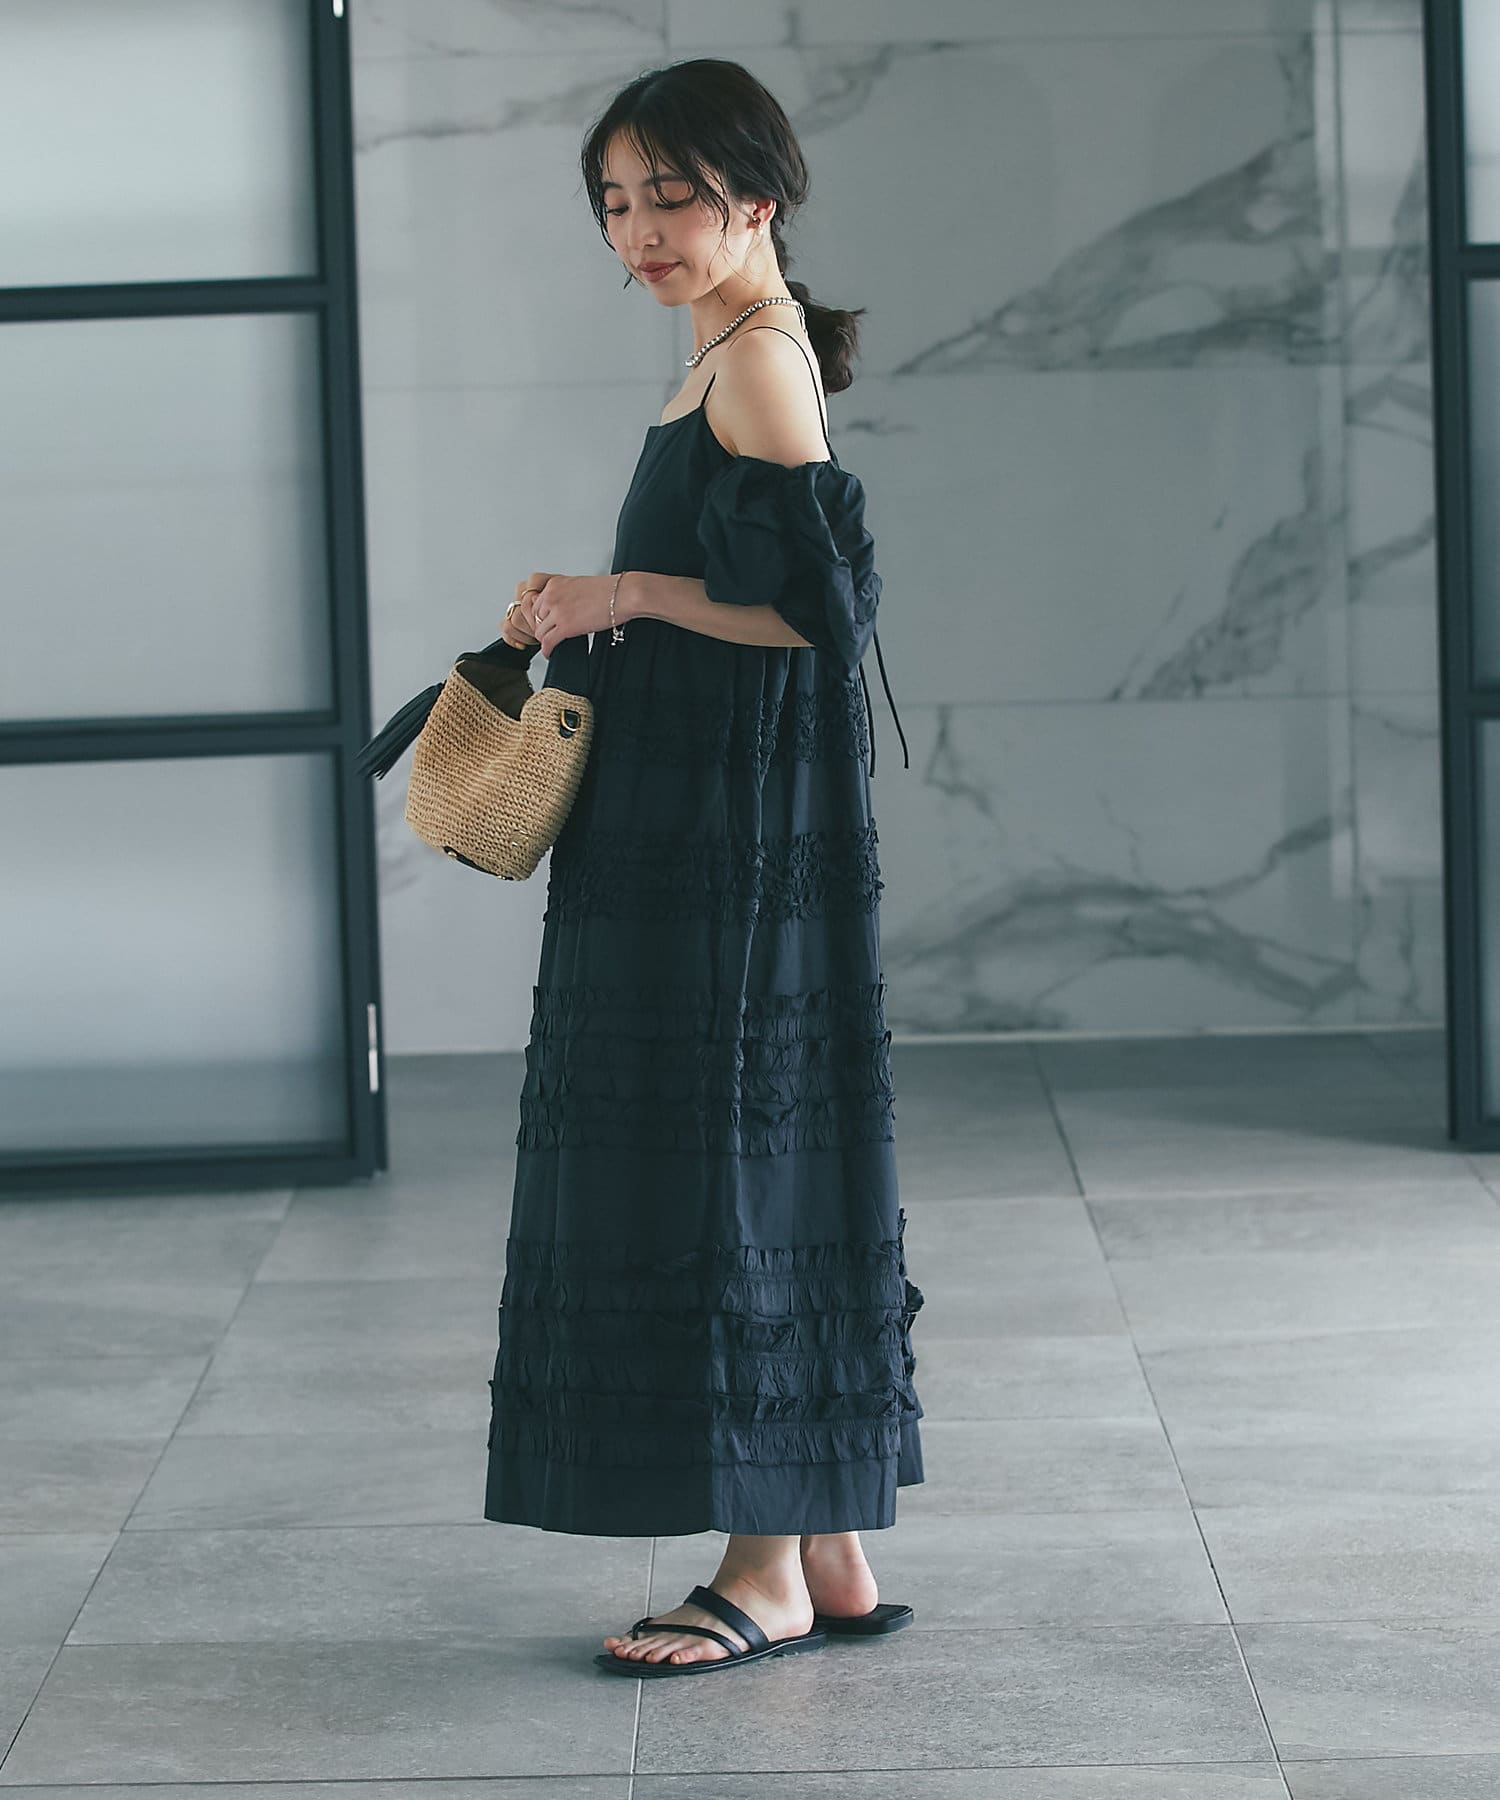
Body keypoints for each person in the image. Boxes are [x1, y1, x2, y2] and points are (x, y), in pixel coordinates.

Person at [483, 57, 925, 1679]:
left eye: (670, 197)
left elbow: (823, 617)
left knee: (730, 1158)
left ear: (758, 197)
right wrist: (599, 599)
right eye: (616, 203)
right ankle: (827, 1540)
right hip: (705, 819)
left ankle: (766, 1569)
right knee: (756, 1150)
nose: (640, 231)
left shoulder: (757, 363)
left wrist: (630, 597)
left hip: (735, 840)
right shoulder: (731, 347)